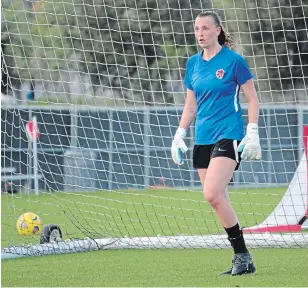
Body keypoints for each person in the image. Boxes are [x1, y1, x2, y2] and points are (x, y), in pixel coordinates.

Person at [171, 10, 262, 276]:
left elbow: (253, 99)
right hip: (202, 138)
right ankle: (243, 258)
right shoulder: (192, 64)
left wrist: (252, 131)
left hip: (228, 134)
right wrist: (179, 134)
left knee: (211, 193)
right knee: (217, 199)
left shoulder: (234, 62)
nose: (200, 33)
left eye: (205, 28)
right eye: (197, 29)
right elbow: (190, 106)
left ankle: (242, 255)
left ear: (218, 30)